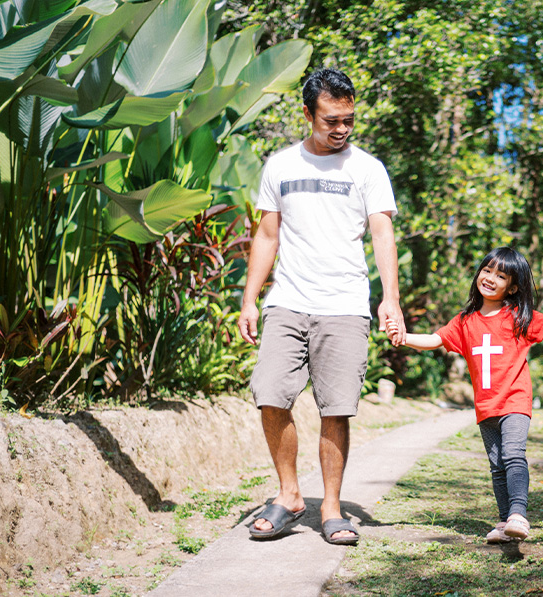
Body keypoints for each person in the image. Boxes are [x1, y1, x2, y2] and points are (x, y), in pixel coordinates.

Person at [236, 67, 406, 546]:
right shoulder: (281, 166)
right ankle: (290, 495)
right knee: (270, 393)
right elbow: (267, 234)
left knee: (336, 408)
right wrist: (249, 298)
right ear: (307, 113)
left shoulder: (366, 168)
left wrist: (389, 299)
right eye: (331, 119)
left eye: (349, 119)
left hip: (345, 304)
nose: (342, 128)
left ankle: (331, 507)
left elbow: (381, 234)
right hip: (287, 300)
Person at [386, 247, 543, 544]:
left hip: (515, 401)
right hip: (485, 406)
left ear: (513, 286)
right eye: (487, 270)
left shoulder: (517, 316)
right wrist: (404, 338)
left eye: (501, 275)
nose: (490, 278)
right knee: (497, 465)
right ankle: (505, 521)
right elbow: (435, 339)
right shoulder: (465, 321)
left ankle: (518, 514)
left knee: (512, 455)